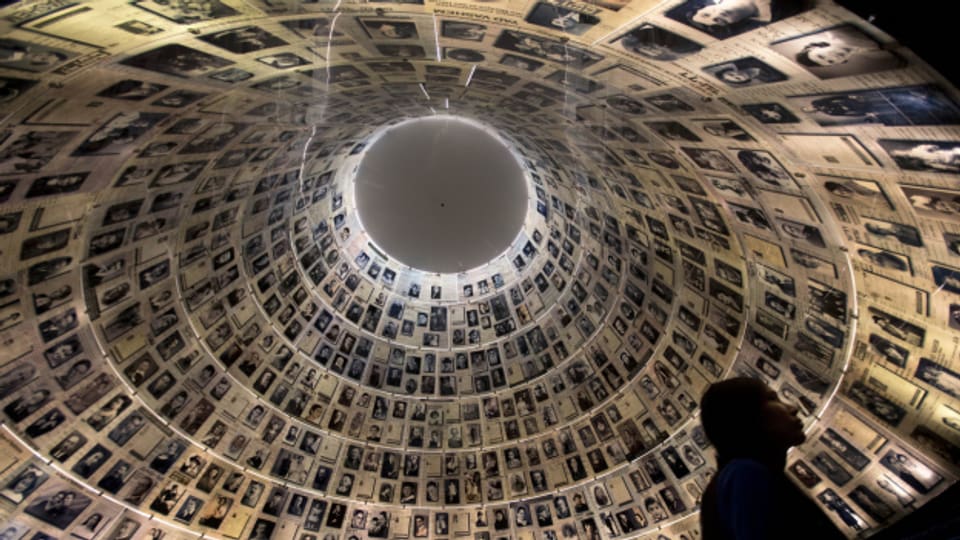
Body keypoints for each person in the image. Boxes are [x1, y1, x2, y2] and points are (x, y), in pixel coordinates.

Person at [699, 377, 843, 539]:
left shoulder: (736, 477)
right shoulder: (744, 474)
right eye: (772, 399)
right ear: (745, 417)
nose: (793, 408)